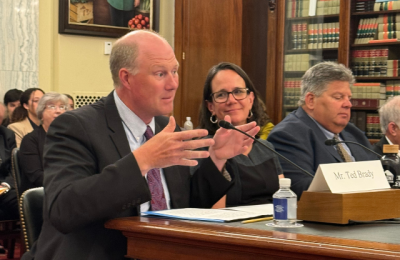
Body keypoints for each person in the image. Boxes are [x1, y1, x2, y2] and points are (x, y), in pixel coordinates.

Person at [21, 30, 259, 260]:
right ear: (126, 78)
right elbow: (64, 210)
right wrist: (141, 162)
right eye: (160, 74)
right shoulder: (75, 126)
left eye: (174, 71)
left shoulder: (166, 126)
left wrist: (216, 158)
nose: (173, 84)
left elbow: (186, 206)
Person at [268, 62, 378, 197]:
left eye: (349, 98)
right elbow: (303, 190)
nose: (348, 104)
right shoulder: (287, 136)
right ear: (311, 100)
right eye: (338, 97)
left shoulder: (354, 134)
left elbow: (379, 179)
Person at [197, 62, 283, 208]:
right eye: (221, 95)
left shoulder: (266, 148)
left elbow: (284, 197)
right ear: (211, 106)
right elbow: (214, 213)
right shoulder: (204, 150)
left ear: (251, 99)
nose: (231, 100)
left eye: (238, 92)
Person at [19, 93, 69, 193]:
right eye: (52, 107)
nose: (58, 111)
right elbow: (36, 176)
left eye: (62, 107)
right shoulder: (30, 140)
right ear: (41, 114)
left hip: (70, 190)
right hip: (43, 194)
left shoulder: (71, 138)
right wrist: (66, 183)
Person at [0, 103, 19, 221]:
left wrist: (6, 185)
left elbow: (14, 166)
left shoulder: (7, 135)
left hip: (3, 188)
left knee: (24, 202)